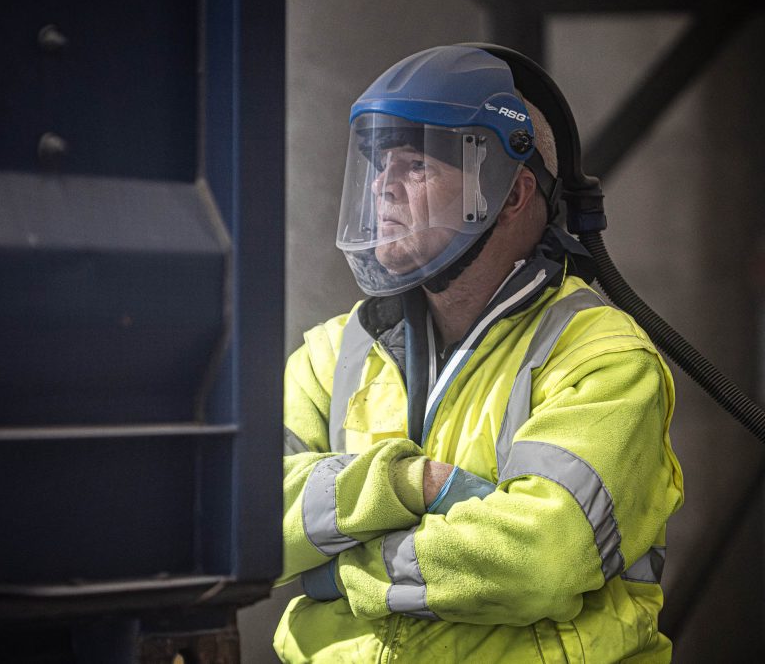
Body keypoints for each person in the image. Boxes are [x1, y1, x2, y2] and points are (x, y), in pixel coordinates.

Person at [274, 44, 684, 662]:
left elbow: (536, 560)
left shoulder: (603, 360)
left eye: (413, 164)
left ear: (512, 194)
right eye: (378, 164)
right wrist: (409, 484)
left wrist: (335, 573)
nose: (383, 188)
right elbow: (247, 525)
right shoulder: (330, 355)